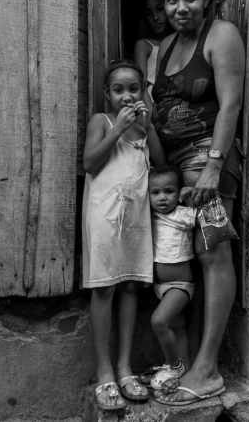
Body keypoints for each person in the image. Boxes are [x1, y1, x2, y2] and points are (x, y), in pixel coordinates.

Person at [151, 0, 245, 406]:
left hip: (208, 167)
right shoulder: (164, 47)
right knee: (190, 263)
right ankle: (192, 361)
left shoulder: (221, 35)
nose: (181, 7)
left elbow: (230, 105)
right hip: (174, 173)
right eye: (172, 0)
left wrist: (212, 165)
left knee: (213, 255)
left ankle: (207, 370)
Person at [82, 59, 166, 411]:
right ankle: (104, 372)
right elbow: (90, 163)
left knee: (131, 284)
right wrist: (117, 128)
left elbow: (160, 166)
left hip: (134, 218)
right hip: (104, 216)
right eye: (118, 90)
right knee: (105, 287)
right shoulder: (102, 122)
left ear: (143, 92)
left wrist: (149, 127)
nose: (127, 96)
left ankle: (125, 366)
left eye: (134, 88)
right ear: (107, 95)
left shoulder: (143, 130)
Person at [144, 165, 198, 390]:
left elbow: (201, 214)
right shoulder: (149, 217)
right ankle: (183, 371)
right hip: (160, 287)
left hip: (180, 286)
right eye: (155, 193)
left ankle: (173, 365)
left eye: (169, 191)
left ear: (178, 193)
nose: (162, 197)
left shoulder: (184, 214)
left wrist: (191, 197)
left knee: (159, 321)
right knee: (177, 327)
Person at [134, 0, 171, 106]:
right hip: (152, 104)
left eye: (160, 9)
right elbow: (141, 85)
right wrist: (151, 115)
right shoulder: (144, 45)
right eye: (149, 14)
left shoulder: (178, 42)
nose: (155, 18)